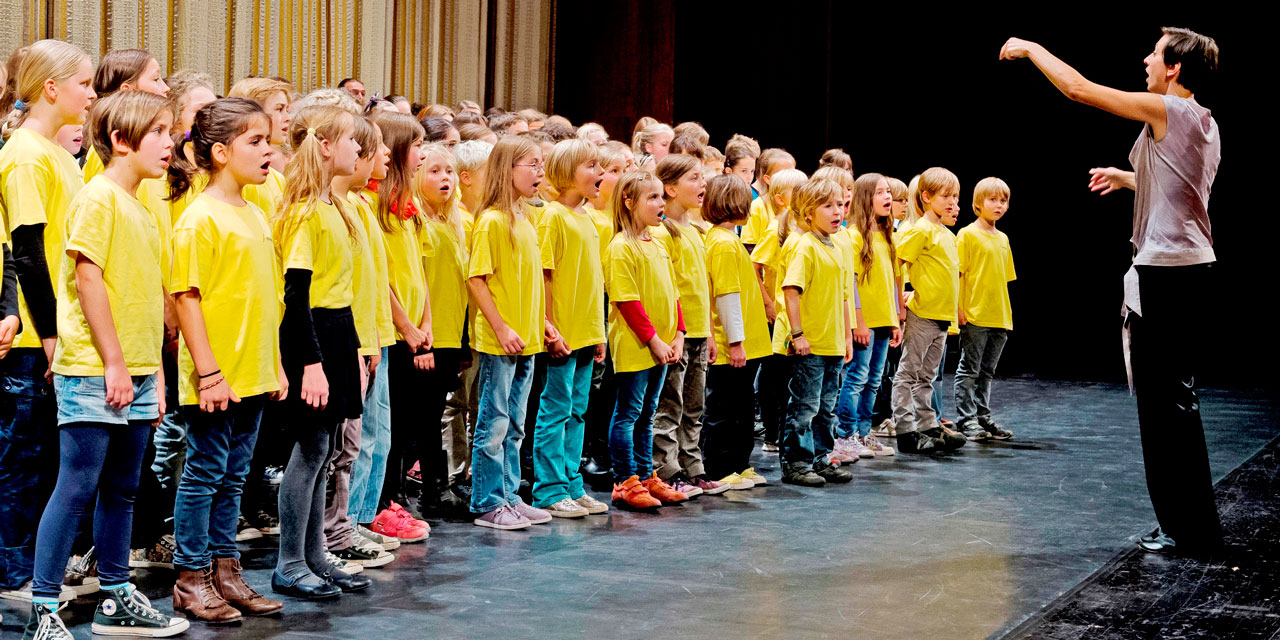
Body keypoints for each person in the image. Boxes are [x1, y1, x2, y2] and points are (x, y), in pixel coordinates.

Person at [1001, 27, 1223, 555]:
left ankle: (1187, 530)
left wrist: (1032, 49)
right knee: (1173, 403)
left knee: (1164, 407)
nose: (1146, 58)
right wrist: (1126, 180)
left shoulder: (1169, 109)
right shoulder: (1203, 121)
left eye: (1154, 52)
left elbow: (1079, 89)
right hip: (1185, 270)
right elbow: (1183, 188)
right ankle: (1189, 526)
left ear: (1173, 68)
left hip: (1168, 274)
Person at [26, 89, 189, 637]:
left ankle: (116, 594)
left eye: (172, 131)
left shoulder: (141, 207)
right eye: (160, 133)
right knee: (76, 486)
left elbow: (147, 304)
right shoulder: (97, 199)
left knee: (123, 488)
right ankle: (43, 609)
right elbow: (86, 278)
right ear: (121, 141)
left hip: (139, 371)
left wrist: (157, 376)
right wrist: (115, 364)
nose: (171, 143)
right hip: (96, 370)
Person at [168, 97, 288, 622]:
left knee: (235, 477)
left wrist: (277, 364)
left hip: (254, 371)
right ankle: (190, 577)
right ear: (220, 152)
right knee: (205, 473)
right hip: (217, 376)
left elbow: (265, 300)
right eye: (255, 142)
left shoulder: (257, 213)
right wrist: (209, 372)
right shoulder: (199, 218)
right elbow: (186, 297)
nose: (269, 150)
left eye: (269, 140)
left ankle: (226, 570)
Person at [0, 38, 95, 607]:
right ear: (52, 89)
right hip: (38, 338)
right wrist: (55, 331)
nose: (91, 94)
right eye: (83, 83)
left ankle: (35, 563)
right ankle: (13, 569)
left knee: (45, 457)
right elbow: (28, 251)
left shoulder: (56, 154)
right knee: (22, 457)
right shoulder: (25, 155)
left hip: (59, 330)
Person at [271, 105, 370, 599]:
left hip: (338, 331)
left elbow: (341, 290)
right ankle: (289, 561)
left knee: (325, 448)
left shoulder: (337, 206)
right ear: (326, 145)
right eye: (353, 140)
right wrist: (312, 364)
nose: (360, 150)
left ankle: (314, 555)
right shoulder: (304, 212)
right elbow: (296, 296)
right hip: (311, 337)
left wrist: (350, 350)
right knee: (309, 451)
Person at [466, 136, 557, 529]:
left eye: (541, 165)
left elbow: (530, 282)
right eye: (532, 165)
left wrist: (544, 322)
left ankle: (509, 495)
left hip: (528, 337)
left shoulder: (527, 217)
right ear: (508, 169)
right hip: (501, 339)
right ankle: (486, 502)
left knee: (516, 423)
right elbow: (477, 279)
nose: (539, 173)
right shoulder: (491, 221)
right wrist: (501, 327)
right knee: (495, 421)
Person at [531, 139, 610, 518]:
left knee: (578, 410)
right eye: (591, 166)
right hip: (562, 332)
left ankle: (571, 482)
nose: (600, 174)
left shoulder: (589, 219)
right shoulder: (553, 217)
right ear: (566, 173)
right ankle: (548, 488)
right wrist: (549, 326)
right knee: (556, 410)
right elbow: (545, 276)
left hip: (585, 331)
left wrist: (598, 334)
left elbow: (594, 282)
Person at [604, 171, 683, 510]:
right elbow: (627, 301)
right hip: (639, 345)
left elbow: (673, 293)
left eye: (661, 197)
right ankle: (625, 481)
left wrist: (678, 333)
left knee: (648, 413)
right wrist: (653, 341)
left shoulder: (659, 241)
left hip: (663, 344)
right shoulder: (621, 247)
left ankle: (645, 475)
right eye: (652, 198)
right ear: (629, 201)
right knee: (629, 413)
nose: (660, 204)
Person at [775, 178, 855, 487]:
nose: (837, 211)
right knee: (805, 407)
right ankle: (797, 462)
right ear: (809, 212)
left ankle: (821, 457)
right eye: (828, 206)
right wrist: (798, 334)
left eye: (839, 204)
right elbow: (791, 290)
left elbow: (843, 295)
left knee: (826, 408)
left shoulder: (835, 246)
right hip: (812, 345)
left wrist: (846, 336)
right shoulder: (805, 246)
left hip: (832, 343)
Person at [890, 168, 967, 455]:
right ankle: (906, 432)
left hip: (941, 317)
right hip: (922, 314)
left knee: (927, 376)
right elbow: (897, 263)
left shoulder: (946, 233)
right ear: (926, 197)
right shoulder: (920, 230)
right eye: (945, 196)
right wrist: (900, 301)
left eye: (955, 197)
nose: (952, 202)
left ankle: (927, 424)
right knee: (908, 373)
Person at [700, 175, 770, 489]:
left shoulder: (729, 240)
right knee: (724, 410)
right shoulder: (723, 244)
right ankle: (719, 467)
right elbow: (726, 297)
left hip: (748, 345)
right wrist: (736, 342)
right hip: (734, 349)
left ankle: (740, 464)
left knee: (742, 409)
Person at [649, 154, 711, 501]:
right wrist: (674, 333)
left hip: (700, 332)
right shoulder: (662, 233)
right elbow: (668, 288)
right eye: (694, 178)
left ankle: (692, 463)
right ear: (670, 188)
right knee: (669, 404)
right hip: (676, 334)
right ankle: (666, 467)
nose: (702, 185)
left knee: (694, 404)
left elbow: (702, 289)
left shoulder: (696, 230)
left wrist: (711, 333)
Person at [954, 177, 1016, 442]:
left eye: (1003, 200)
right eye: (992, 200)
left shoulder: (1003, 238)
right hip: (974, 313)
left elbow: (1003, 279)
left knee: (987, 371)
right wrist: (958, 310)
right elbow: (956, 275)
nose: (998, 205)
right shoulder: (967, 234)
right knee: (969, 369)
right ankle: (966, 420)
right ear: (978, 203)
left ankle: (982, 416)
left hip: (999, 315)